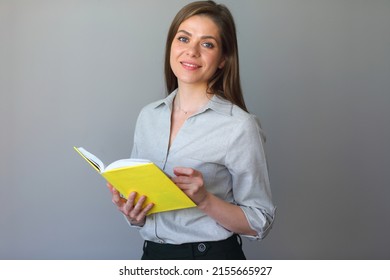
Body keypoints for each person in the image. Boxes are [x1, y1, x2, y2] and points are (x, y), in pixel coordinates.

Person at [107, 0, 275, 260]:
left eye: (207, 44)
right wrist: (134, 212)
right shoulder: (148, 116)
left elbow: (259, 220)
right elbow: (146, 209)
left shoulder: (239, 126)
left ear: (222, 60)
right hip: (153, 257)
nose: (192, 51)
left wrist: (205, 199)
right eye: (184, 39)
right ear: (171, 46)